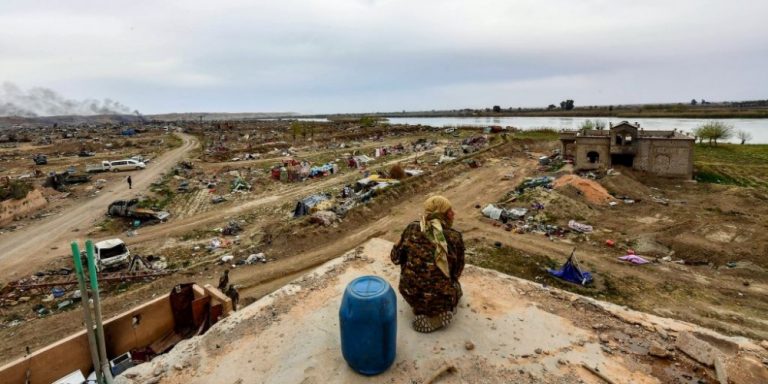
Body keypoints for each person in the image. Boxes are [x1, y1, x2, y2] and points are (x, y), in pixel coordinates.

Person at [391, 196, 465, 333]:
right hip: (437, 299)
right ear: (441, 214)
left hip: (408, 292)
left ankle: (418, 306)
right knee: (457, 289)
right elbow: (456, 272)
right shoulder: (454, 237)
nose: (453, 214)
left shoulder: (412, 228)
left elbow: (395, 258)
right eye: (450, 211)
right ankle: (435, 315)